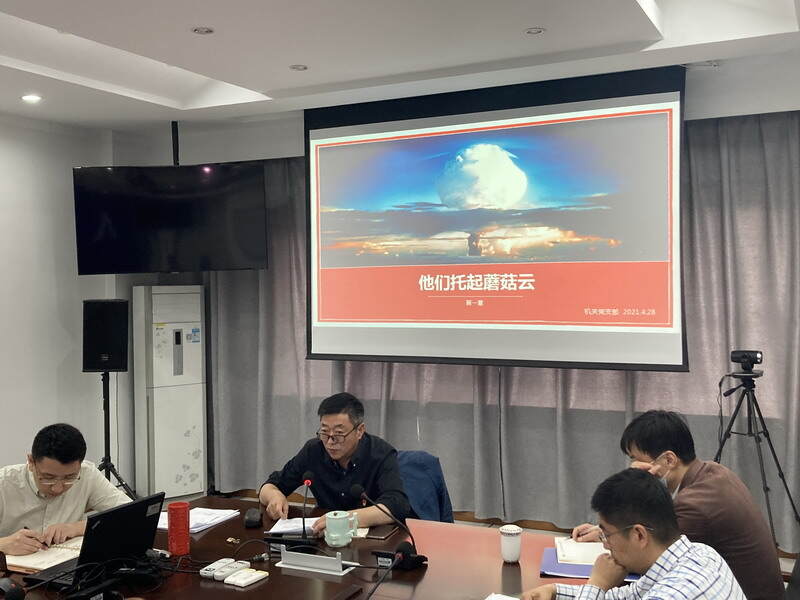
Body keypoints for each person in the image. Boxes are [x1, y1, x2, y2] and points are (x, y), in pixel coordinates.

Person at [571, 410, 783, 600]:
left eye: (636, 460)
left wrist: (634, 486)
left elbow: (643, 559)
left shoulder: (693, 507)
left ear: (669, 460)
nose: (634, 467)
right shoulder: (713, 471)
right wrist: (609, 530)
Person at [523, 468, 745, 600]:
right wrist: (555, 591)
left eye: (606, 535)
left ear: (639, 535)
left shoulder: (669, 594)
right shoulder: (701, 553)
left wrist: (596, 585)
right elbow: (629, 596)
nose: (605, 545)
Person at [259, 392, 411, 533]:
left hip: (371, 539)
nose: (330, 442)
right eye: (325, 432)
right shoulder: (313, 451)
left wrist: (346, 519)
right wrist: (274, 496)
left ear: (359, 431)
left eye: (339, 433)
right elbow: (270, 485)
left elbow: (397, 505)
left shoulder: (381, 453)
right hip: (324, 539)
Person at [0, 423, 131, 555]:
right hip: (11, 566)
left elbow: (131, 514)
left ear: (80, 465)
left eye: (69, 477)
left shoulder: (87, 474)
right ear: (31, 462)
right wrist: (3, 544)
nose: (57, 489)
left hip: (65, 563)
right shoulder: (4, 483)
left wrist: (76, 528)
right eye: (48, 477)